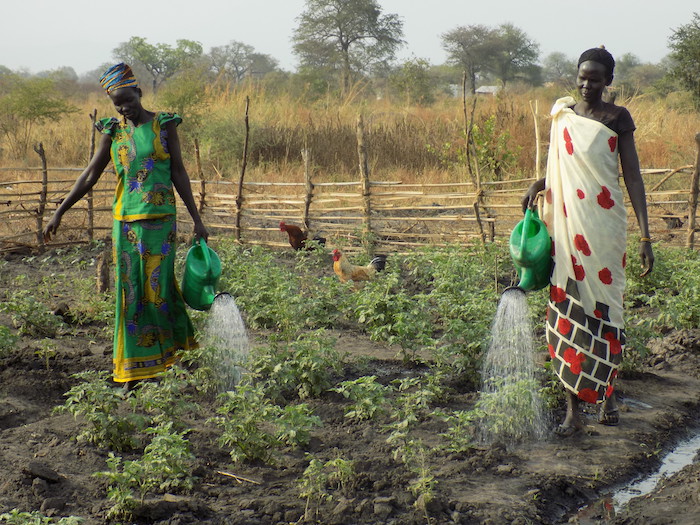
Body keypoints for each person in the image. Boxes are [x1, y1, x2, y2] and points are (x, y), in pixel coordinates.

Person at [43, 63, 208, 390]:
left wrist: (198, 219)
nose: (123, 108)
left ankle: (170, 361)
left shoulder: (164, 125)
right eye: (116, 103)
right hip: (126, 226)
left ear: (139, 92)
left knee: (158, 291)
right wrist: (59, 211)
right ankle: (133, 373)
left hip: (161, 224)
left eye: (127, 100)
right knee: (130, 294)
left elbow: (178, 173)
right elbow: (89, 175)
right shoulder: (113, 131)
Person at [522, 46, 654, 436]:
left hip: (603, 227)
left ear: (608, 81)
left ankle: (607, 392)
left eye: (595, 78)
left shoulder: (617, 118)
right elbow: (559, 169)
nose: (586, 84)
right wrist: (538, 183)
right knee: (567, 311)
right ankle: (572, 410)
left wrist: (646, 235)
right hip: (568, 230)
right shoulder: (565, 117)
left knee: (606, 310)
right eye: (582, 77)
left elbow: (631, 176)